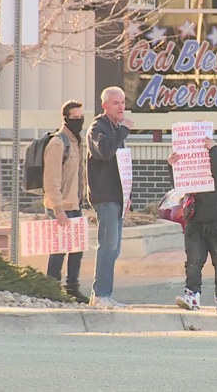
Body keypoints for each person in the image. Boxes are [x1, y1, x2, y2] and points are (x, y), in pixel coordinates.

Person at [168, 137, 217, 312]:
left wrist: (213, 149)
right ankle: (192, 295)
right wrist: (172, 165)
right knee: (193, 262)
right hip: (195, 220)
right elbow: (179, 185)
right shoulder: (186, 159)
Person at [86, 86, 134, 309]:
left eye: (123, 102)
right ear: (105, 106)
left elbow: (120, 165)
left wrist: (128, 195)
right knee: (107, 245)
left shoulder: (114, 128)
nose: (121, 106)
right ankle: (100, 295)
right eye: (116, 103)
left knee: (114, 248)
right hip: (105, 197)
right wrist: (123, 131)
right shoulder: (98, 127)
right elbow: (105, 152)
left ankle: (105, 293)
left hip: (117, 197)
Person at [43, 100, 88, 304]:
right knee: (59, 249)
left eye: (81, 117)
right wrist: (58, 209)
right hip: (61, 206)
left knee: (77, 248)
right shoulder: (58, 143)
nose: (79, 121)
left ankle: (72, 288)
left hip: (75, 204)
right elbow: (51, 180)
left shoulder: (77, 141)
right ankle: (52, 287)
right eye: (75, 118)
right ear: (66, 119)